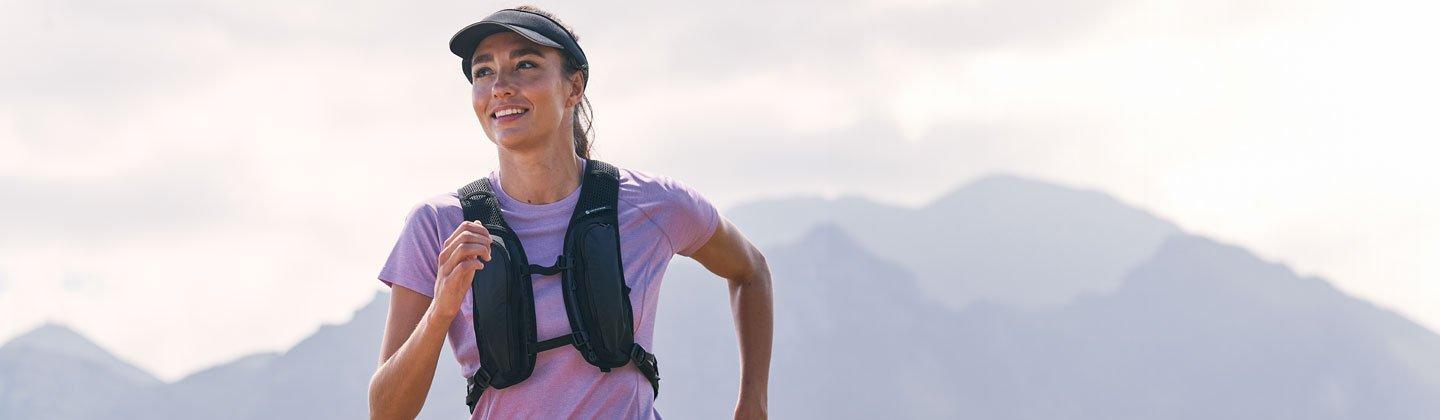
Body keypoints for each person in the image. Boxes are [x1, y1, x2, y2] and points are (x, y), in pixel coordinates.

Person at [366, 6, 773, 419]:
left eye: (525, 64)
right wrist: (440, 311)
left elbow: (751, 271)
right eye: (484, 71)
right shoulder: (437, 226)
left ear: (573, 87)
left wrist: (753, 402)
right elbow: (385, 412)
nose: (501, 87)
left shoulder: (651, 204)